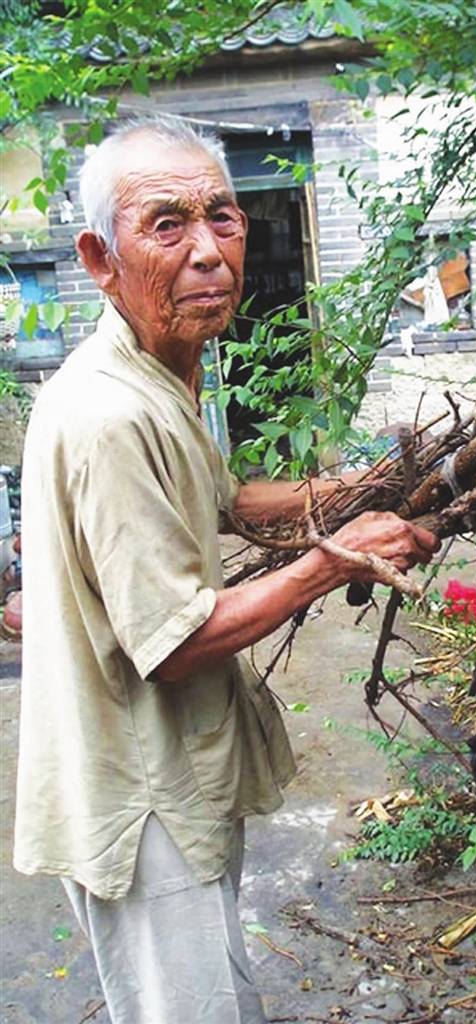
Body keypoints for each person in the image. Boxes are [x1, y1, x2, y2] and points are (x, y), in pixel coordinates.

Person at [13, 114, 438, 1024]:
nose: (208, 250)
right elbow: (173, 643)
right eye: (167, 225)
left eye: (223, 217)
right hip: (142, 799)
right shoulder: (109, 415)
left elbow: (224, 499)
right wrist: (337, 560)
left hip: (169, 773)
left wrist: (363, 487)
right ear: (99, 257)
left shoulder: (161, 374)